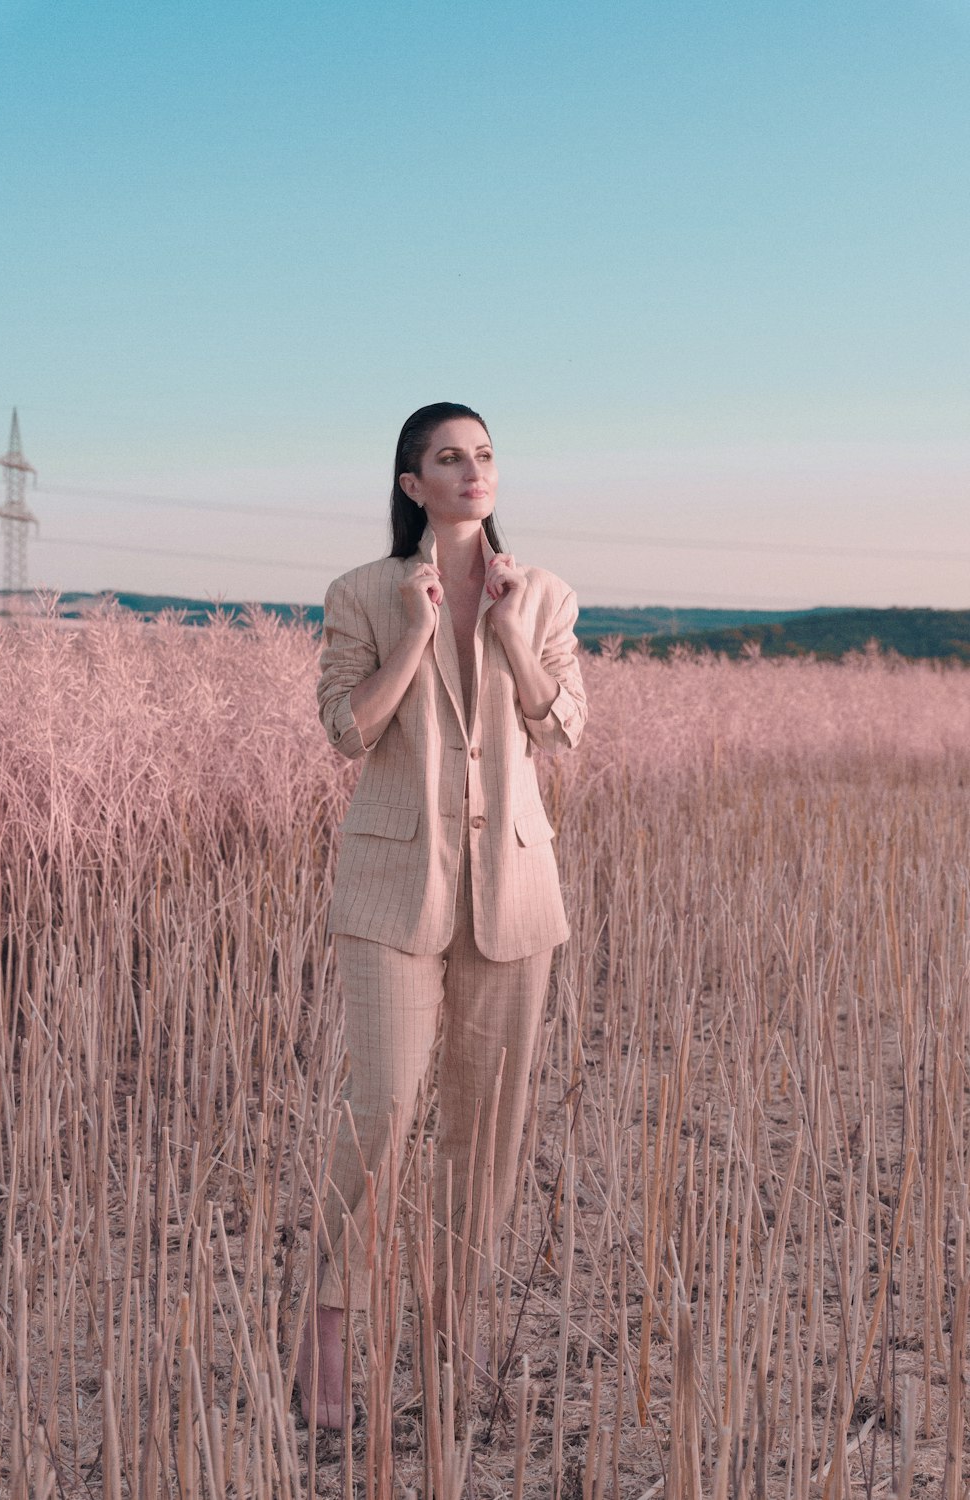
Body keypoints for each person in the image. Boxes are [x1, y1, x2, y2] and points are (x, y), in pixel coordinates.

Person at [300, 401, 587, 1427]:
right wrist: (419, 634)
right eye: (448, 458)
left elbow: (564, 731)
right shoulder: (365, 594)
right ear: (411, 484)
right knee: (381, 1109)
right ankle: (326, 1330)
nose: (473, 471)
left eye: (485, 455)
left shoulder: (543, 594)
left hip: (512, 892)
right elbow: (346, 731)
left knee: (488, 1130)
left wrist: (508, 636)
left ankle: (451, 1335)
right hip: (390, 891)